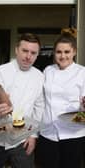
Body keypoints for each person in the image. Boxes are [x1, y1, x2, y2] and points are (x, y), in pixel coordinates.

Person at [0, 33, 44, 168]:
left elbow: (39, 107)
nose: (28, 56)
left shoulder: (39, 76)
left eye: (33, 53)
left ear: (37, 55)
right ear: (16, 50)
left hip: (23, 140)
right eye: (25, 51)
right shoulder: (1, 72)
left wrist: (33, 136)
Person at [35, 32, 85, 168]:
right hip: (48, 133)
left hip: (73, 135)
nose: (63, 56)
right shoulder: (48, 71)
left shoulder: (82, 73)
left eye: (67, 52)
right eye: (59, 52)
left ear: (74, 52)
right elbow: (41, 100)